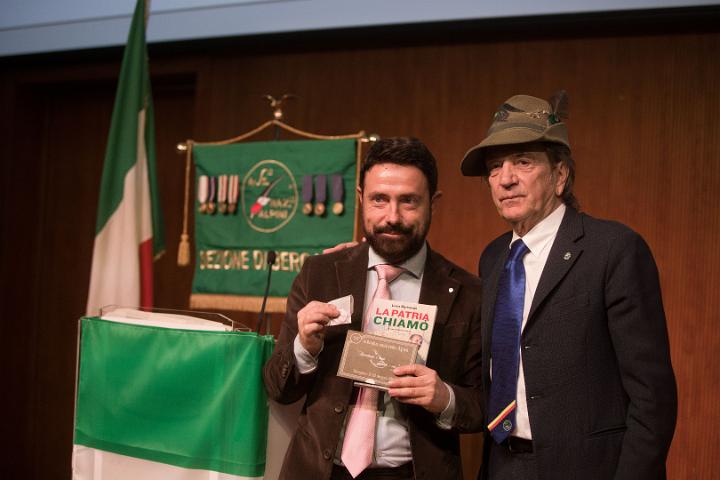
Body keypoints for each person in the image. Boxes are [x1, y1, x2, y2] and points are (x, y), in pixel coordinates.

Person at [460, 92, 677, 480]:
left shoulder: (614, 249)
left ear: (560, 175)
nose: (505, 179)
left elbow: (652, 397)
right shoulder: (493, 257)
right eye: (494, 168)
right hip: (502, 463)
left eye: (523, 162)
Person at [263, 137, 484, 480]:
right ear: (361, 198)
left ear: (433, 203)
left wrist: (445, 398)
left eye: (409, 201)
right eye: (379, 199)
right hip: (320, 471)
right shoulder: (320, 273)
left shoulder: (468, 292)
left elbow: (483, 404)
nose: (392, 217)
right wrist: (304, 349)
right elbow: (278, 388)